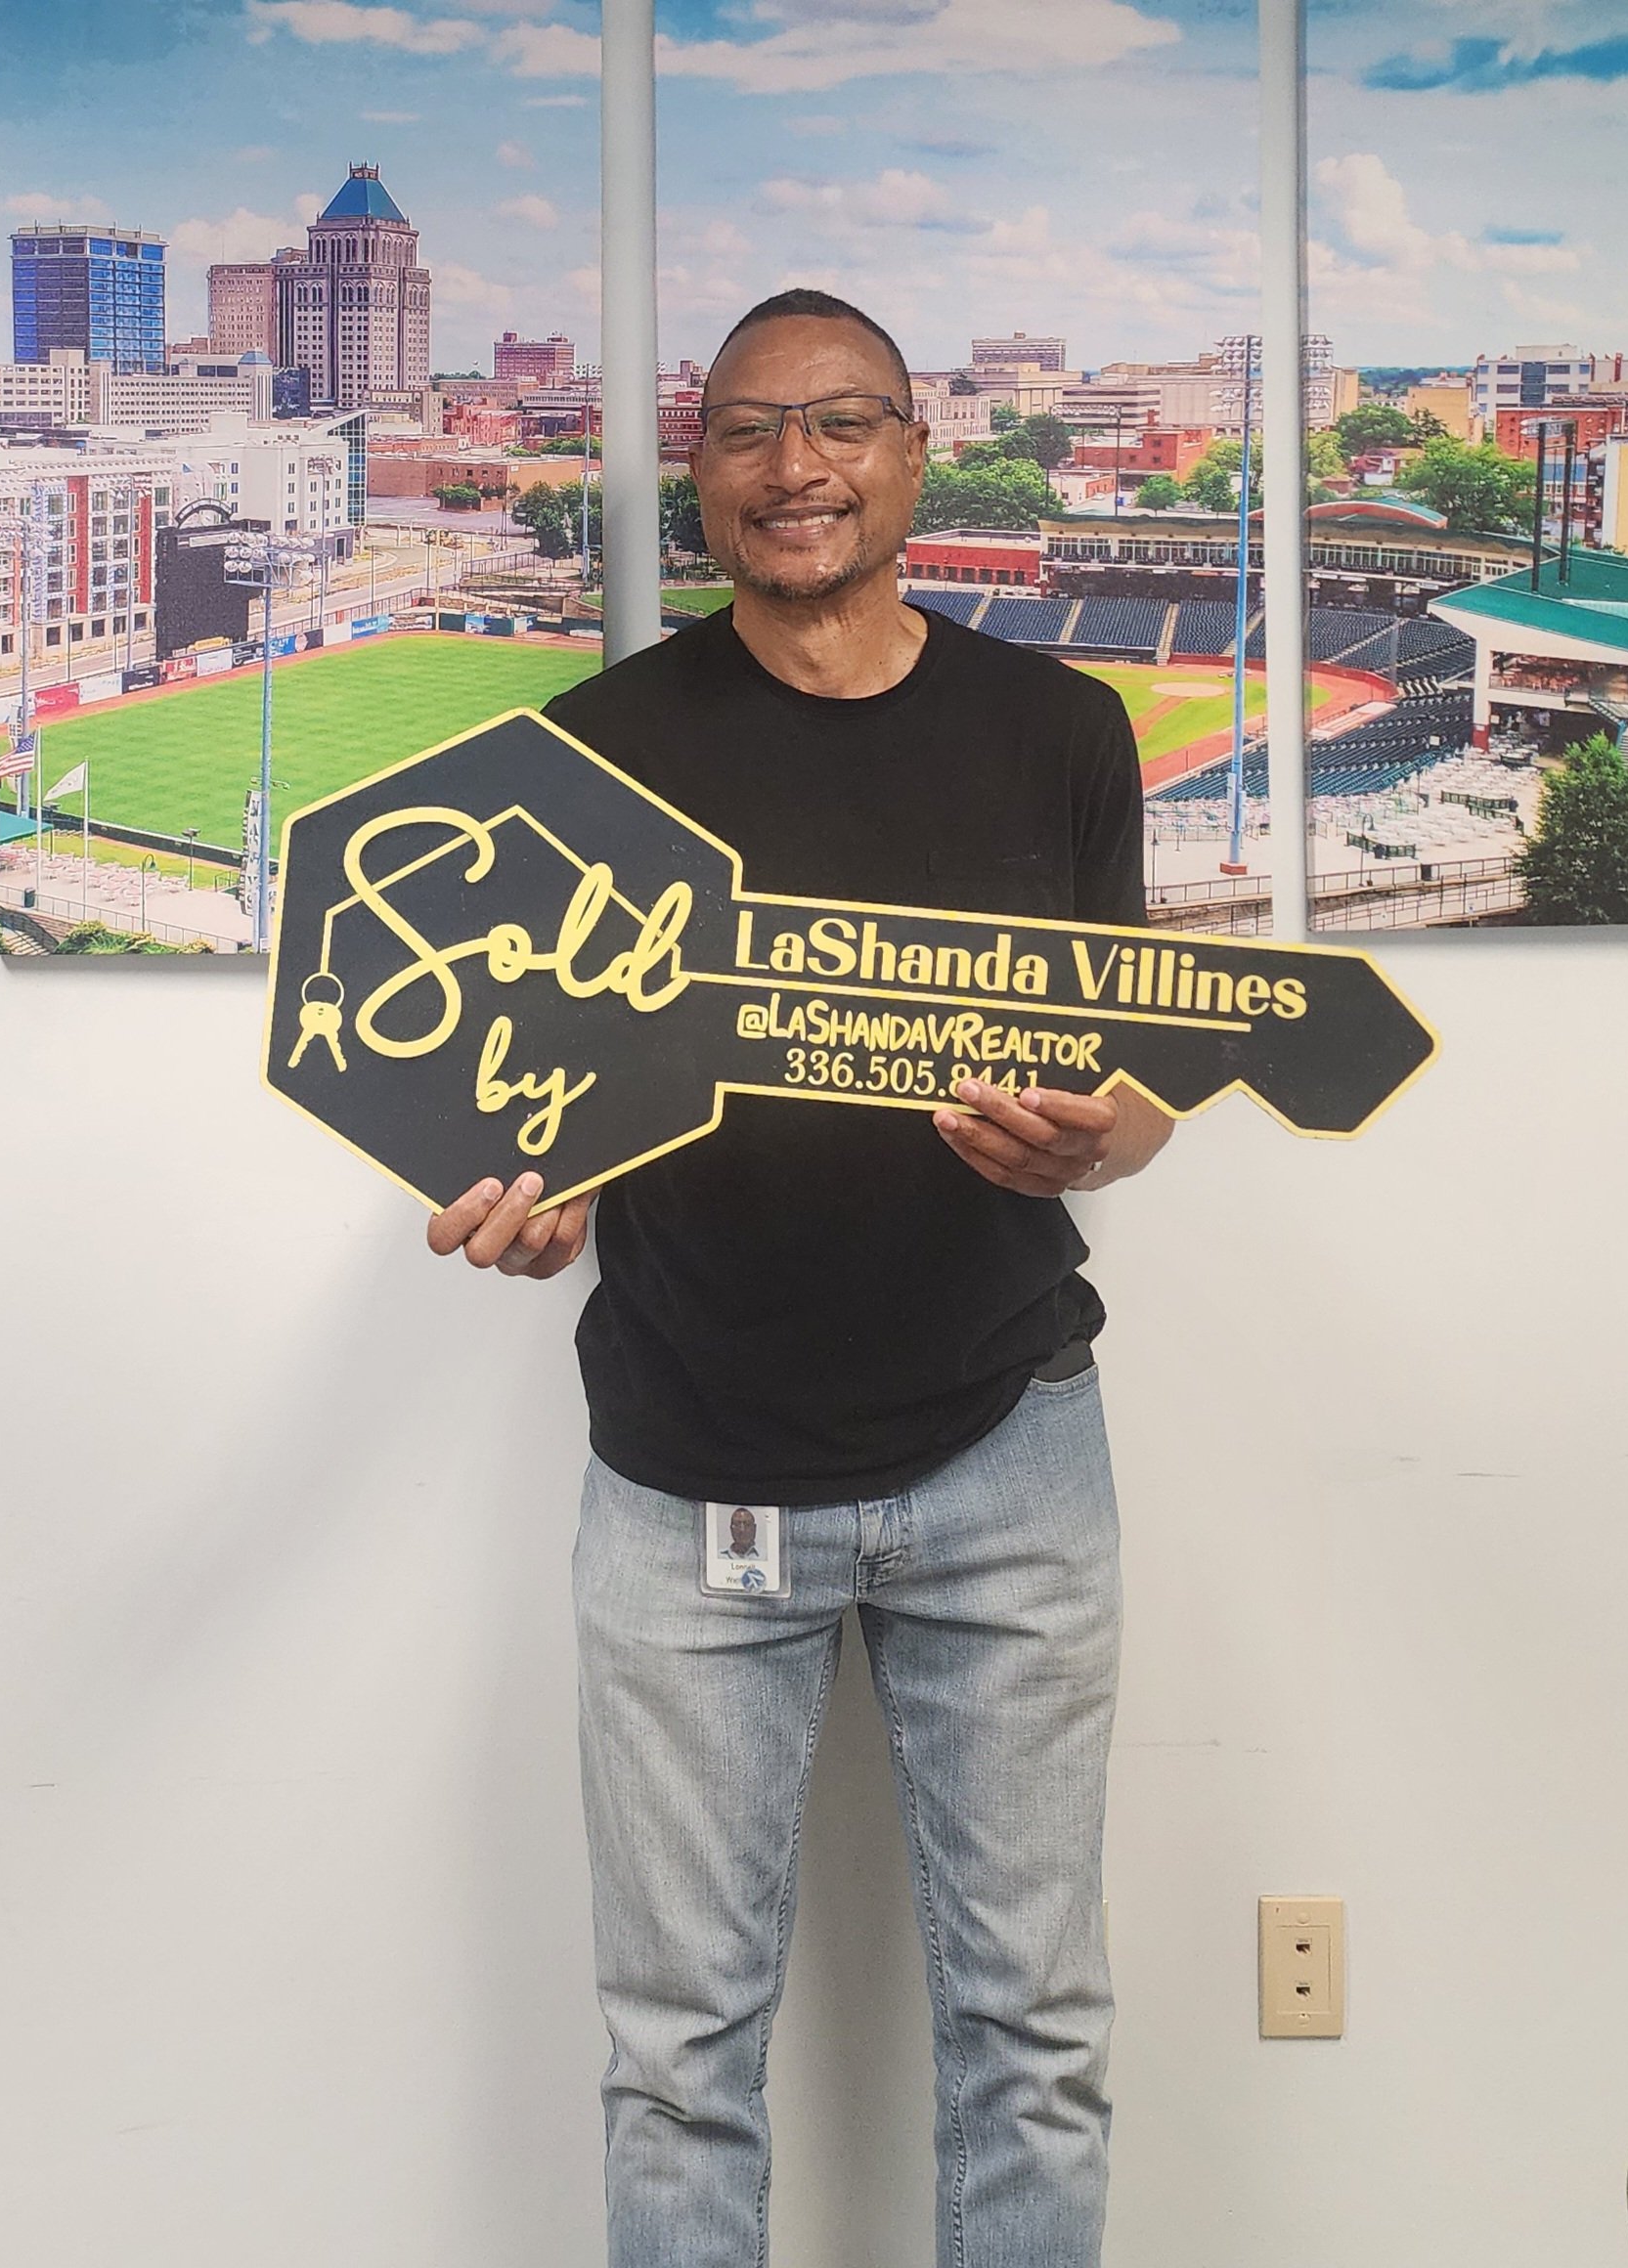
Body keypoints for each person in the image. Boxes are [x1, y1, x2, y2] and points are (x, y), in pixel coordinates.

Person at [426, 286, 1173, 2268]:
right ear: (702, 477)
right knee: (678, 2055)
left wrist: (1106, 1136)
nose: (796, 467)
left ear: (914, 453)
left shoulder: (1060, 732)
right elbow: (546, 1111)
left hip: (1014, 1449)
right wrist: (536, 1205)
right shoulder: (592, 750)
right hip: (691, 1472)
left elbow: (1136, 1077)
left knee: (1036, 2034)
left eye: (840, 422)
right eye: (749, 429)